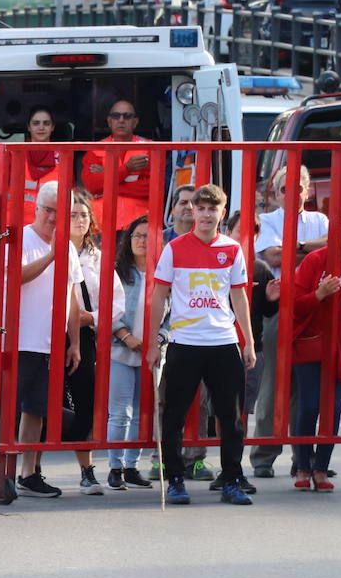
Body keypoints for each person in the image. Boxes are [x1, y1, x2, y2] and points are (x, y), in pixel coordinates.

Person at [144, 183, 257, 506]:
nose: (207, 214)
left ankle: (232, 480)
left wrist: (247, 341)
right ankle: (176, 479)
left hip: (223, 342)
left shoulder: (233, 249)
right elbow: (159, 296)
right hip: (184, 342)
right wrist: (153, 344)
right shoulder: (175, 248)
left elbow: (239, 295)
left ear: (222, 213)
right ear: (193, 211)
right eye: (201, 208)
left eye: (213, 209)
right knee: (174, 415)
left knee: (231, 417)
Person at [250, 165, 329, 479]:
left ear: (308, 190)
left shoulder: (320, 219)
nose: (292, 193)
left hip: (315, 306)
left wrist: (293, 251)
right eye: (285, 188)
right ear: (275, 193)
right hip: (280, 305)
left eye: (299, 187)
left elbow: (330, 248)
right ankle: (263, 457)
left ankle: (303, 458)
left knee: (308, 384)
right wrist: (308, 251)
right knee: (273, 382)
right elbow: (270, 257)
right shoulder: (266, 221)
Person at [288, 216, 341, 492]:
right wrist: (320, 294)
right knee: (310, 405)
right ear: (340, 236)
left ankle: (321, 469)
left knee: (334, 408)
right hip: (313, 342)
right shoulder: (316, 260)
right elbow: (295, 305)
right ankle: (302, 466)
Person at [15, 180, 82, 499]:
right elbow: (15, 278)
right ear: (36, 208)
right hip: (20, 338)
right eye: (49, 210)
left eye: (61, 212)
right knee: (9, 407)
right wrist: (51, 255)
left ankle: (29, 472)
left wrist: (75, 342)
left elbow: (72, 295)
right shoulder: (21, 239)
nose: (54, 218)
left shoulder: (67, 246)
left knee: (38, 409)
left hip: (51, 341)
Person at [64, 192, 124, 494]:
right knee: (37, 404)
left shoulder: (98, 258)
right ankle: (29, 471)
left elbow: (117, 302)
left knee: (86, 400)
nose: (79, 220)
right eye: (73, 214)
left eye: (83, 215)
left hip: (84, 334)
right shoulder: (49, 250)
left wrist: (93, 318)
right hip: (47, 334)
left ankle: (87, 471)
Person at [105, 214, 153, 490]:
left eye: (148, 236)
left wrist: (159, 338)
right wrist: (126, 336)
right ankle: (115, 467)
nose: (142, 241)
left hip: (151, 352)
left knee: (141, 412)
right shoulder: (117, 271)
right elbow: (107, 309)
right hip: (120, 350)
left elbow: (172, 314)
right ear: (129, 240)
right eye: (137, 236)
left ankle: (132, 466)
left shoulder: (162, 271)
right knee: (120, 411)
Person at [80, 99, 152, 231]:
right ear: (109, 121)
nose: (121, 120)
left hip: (138, 229)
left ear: (135, 122)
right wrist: (126, 169)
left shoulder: (149, 148)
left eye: (127, 116)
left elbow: (150, 188)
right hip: (101, 227)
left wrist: (106, 179)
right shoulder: (95, 150)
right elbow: (92, 186)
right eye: (116, 116)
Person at [22, 105, 59, 225]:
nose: (41, 127)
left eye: (46, 123)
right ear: (29, 127)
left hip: (51, 226)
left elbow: (70, 195)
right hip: (18, 227)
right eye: (36, 123)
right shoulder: (13, 155)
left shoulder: (64, 157)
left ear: (53, 127)